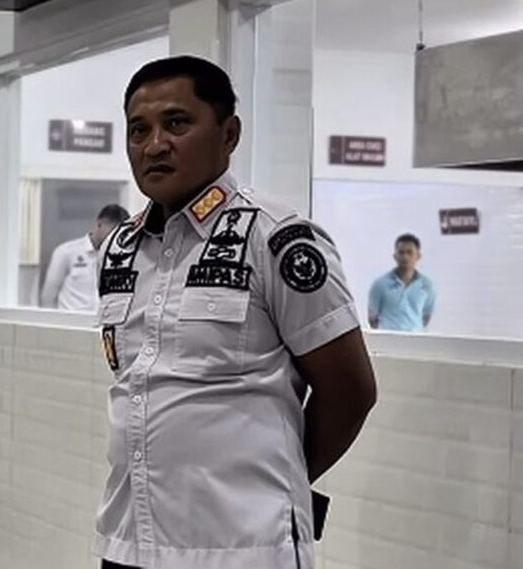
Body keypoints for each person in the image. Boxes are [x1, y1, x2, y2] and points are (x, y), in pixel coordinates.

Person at [94, 55, 377, 569]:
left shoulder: (277, 239)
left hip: (244, 548)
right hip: (129, 542)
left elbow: (350, 391)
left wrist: (281, 484)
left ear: (229, 134)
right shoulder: (119, 249)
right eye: (139, 130)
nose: (154, 145)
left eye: (176, 123)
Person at [41, 204, 130, 311]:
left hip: (103, 319)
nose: (115, 239)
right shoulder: (66, 252)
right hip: (71, 319)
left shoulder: (119, 258)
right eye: (112, 233)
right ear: (99, 225)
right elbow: (48, 297)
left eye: (120, 235)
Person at [368, 233, 436, 332]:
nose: (405, 257)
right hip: (388, 338)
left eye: (409, 253)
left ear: (418, 256)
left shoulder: (426, 285)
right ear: (395, 256)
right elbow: (372, 317)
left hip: (416, 338)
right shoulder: (380, 284)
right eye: (401, 253)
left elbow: (426, 316)